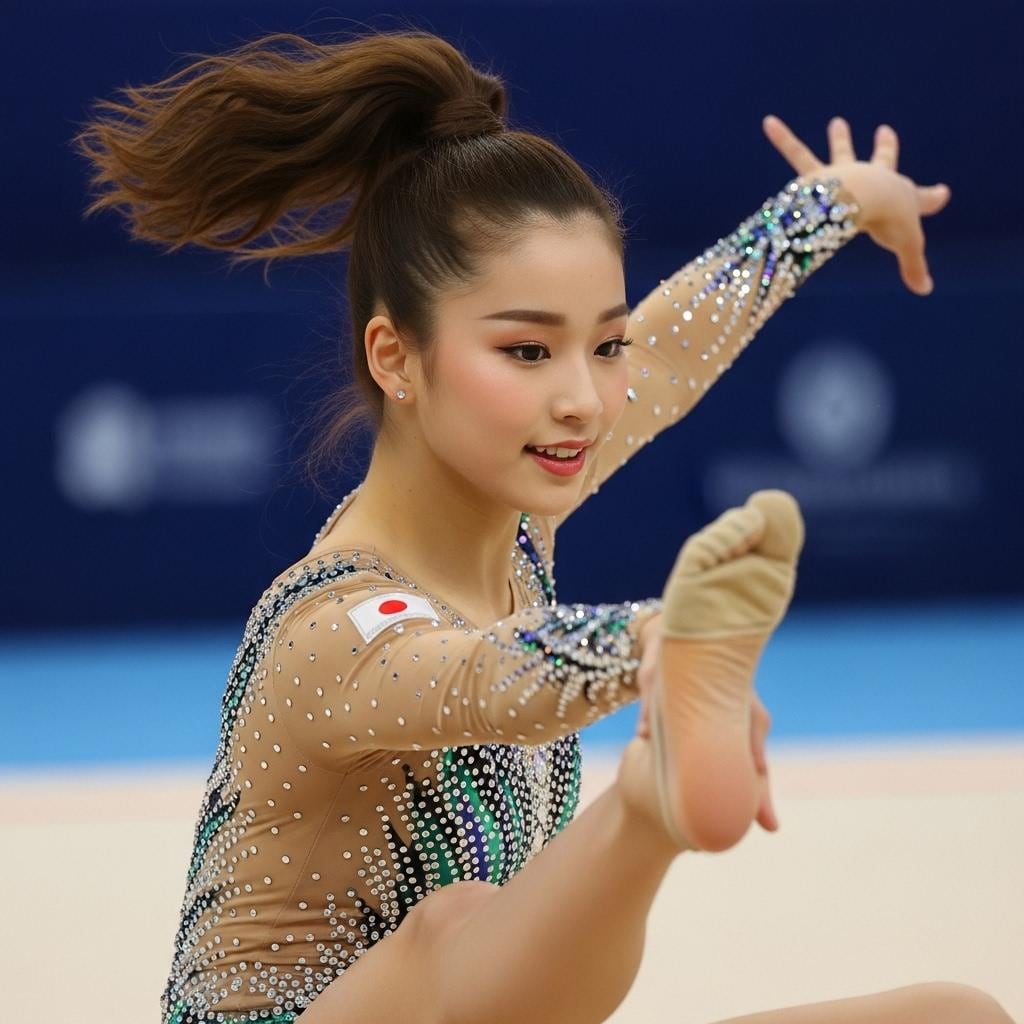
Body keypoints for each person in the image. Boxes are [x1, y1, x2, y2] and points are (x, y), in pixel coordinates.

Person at [75, 26, 1013, 1024]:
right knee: (453, 923)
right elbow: (483, 676)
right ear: (396, 359)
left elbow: (671, 352)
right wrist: (658, 643)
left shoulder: (521, 515)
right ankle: (649, 806)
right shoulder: (328, 629)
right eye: (527, 352)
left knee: (955, 1016)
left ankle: (652, 800)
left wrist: (833, 201)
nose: (583, 400)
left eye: (601, 346)